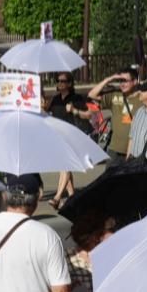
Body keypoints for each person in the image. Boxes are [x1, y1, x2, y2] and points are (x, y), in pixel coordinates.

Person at [46, 72, 91, 207]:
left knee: (65, 166)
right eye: (58, 81)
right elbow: (47, 114)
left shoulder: (76, 98)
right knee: (65, 166)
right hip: (58, 136)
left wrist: (74, 110)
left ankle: (57, 197)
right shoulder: (55, 99)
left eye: (63, 81)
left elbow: (88, 115)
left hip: (73, 136)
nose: (60, 83)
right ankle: (72, 197)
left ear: (70, 83)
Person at [88, 67, 140, 159]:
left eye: (125, 81)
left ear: (135, 81)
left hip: (134, 150)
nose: (122, 84)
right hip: (114, 149)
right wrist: (108, 79)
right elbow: (92, 94)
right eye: (120, 81)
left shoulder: (142, 98)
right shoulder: (115, 95)